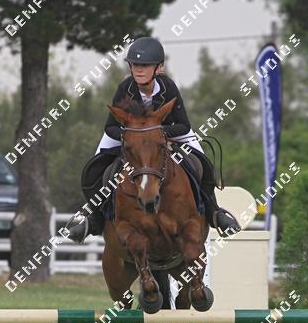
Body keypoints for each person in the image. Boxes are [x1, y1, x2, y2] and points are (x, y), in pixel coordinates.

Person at [65, 36, 240, 242]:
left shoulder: (168, 87)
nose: (139, 70)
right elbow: (110, 127)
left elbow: (183, 125)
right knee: (94, 168)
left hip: (171, 132)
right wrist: (134, 137)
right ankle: (93, 218)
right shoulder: (125, 89)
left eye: (145, 66)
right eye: (135, 65)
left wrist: (158, 134)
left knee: (203, 164)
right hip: (129, 135)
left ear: (158, 68)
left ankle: (214, 212)